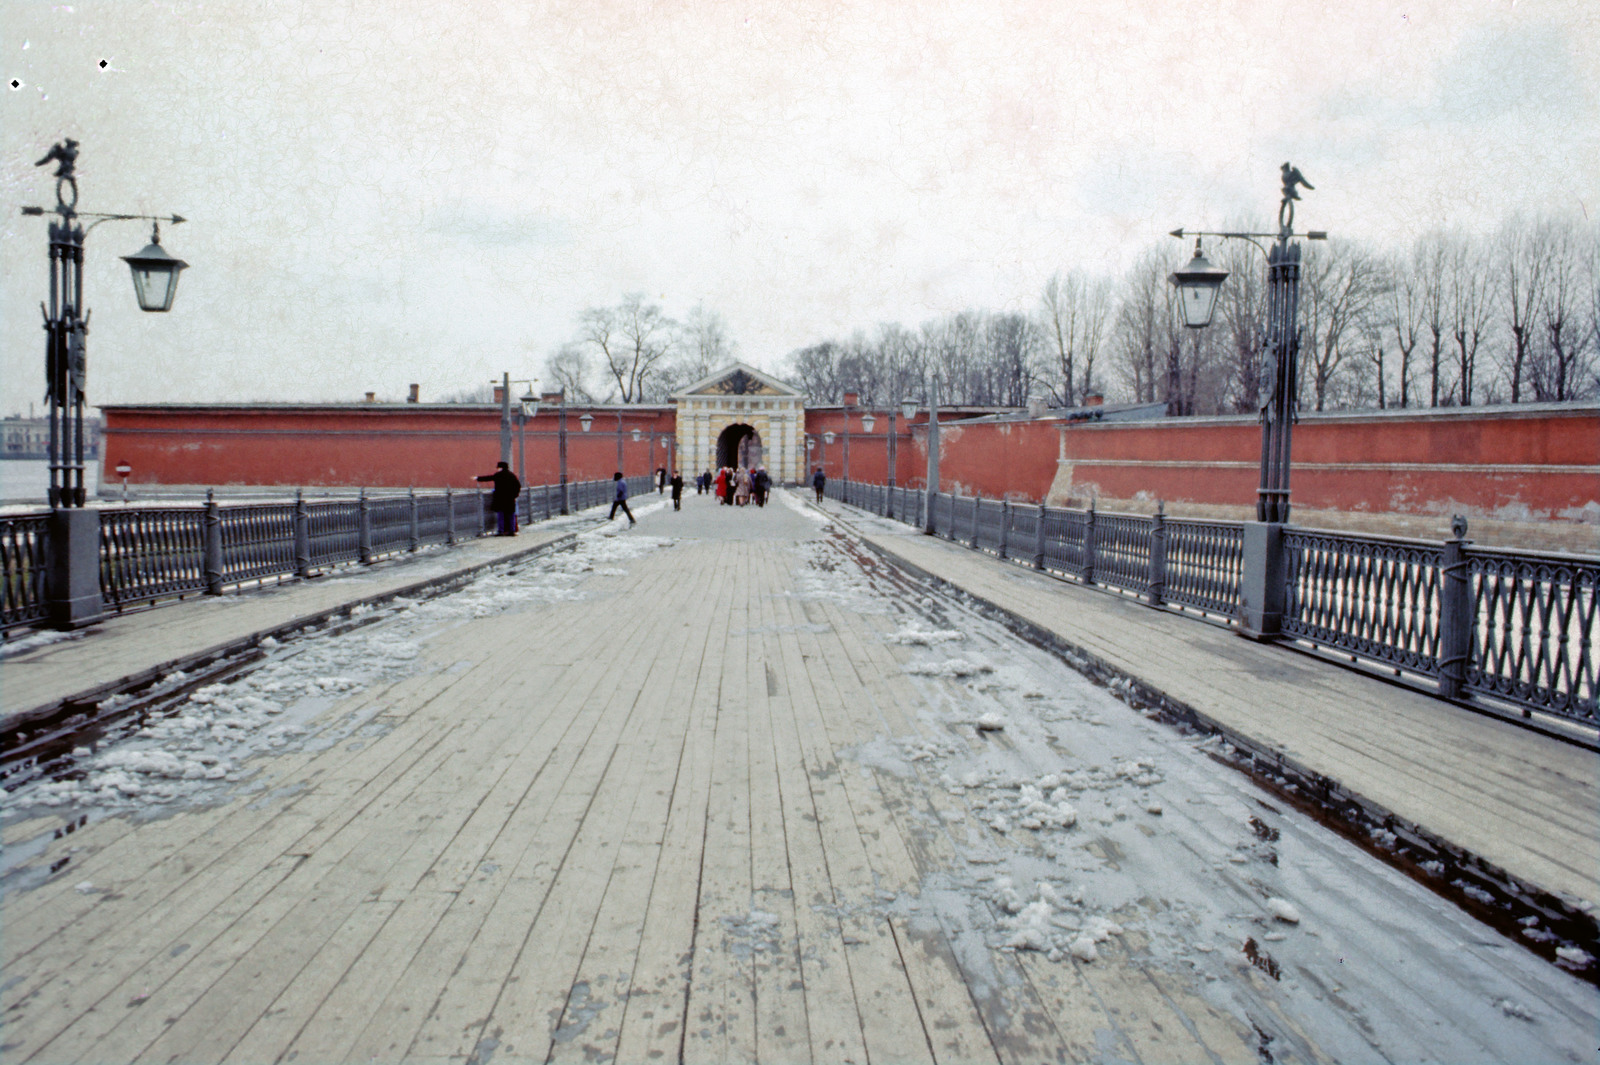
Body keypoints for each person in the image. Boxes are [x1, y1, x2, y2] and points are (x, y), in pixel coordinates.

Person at [475, 460, 522, 535]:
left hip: (500, 499)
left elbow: (488, 478)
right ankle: (512, 531)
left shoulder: (498, 475)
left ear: (500, 468)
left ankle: (501, 531)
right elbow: (518, 486)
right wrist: (514, 495)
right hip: (510, 499)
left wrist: (477, 478)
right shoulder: (512, 475)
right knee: (511, 515)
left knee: (501, 515)